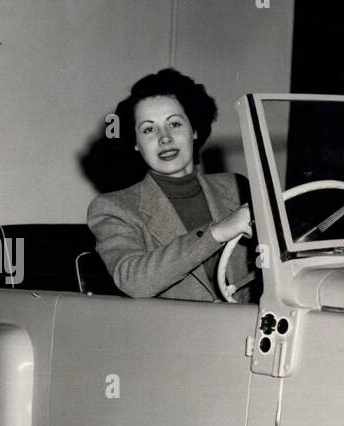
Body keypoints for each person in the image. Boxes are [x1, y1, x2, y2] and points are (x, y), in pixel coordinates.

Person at [88, 69, 254, 300]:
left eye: (174, 124)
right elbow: (133, 281)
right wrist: (216, 232)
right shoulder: (114, 207)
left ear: (194, 130)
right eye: (148, 129)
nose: (164, 137)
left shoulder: (236, 187)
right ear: (136, 144)